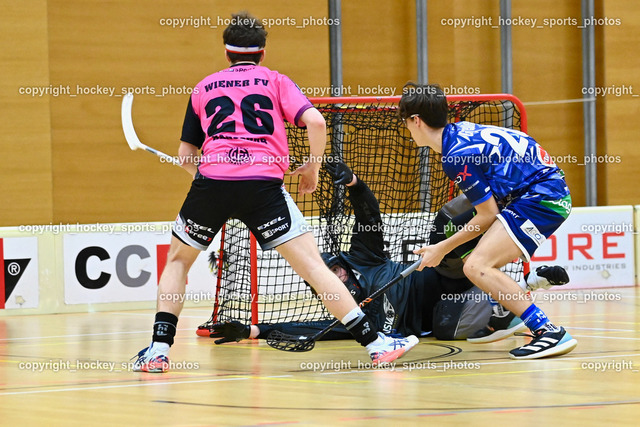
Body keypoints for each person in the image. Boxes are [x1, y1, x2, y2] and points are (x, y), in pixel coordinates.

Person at [131, 12, 418, 373]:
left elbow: (187, 156)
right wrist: (311, 167)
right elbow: (315, 120)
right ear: (262, 53)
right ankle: (376, 345)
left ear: (226, 52)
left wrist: (206, 179)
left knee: (177, 262)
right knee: (315, 267)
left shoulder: (203, 88)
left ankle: (158, 351)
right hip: (264, 188)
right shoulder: (276, 80)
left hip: (212, 184)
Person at [203, 161, 569, 345]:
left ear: (336, 267)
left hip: (444, 273)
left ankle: (505, 201)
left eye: (332, 273)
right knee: (447, 327)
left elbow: (369, 217)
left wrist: (354, 184)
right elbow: (312, 330)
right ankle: (522, 290)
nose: (333, 280)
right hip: (444, 314)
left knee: (446, 221)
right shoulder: (350, 314)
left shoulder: (362, 256)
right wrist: (255, 330)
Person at [398, 82, 577, 359]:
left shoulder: (455, 155)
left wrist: (441, 248)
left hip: (542, 199)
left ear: (416, 120)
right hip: (533, 193)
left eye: (406, 122)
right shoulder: (460, 132)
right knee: (469, 247)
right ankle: (507, 307)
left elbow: (487, 215)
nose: (406, 128)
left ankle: (548, 331)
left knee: (476, 265)